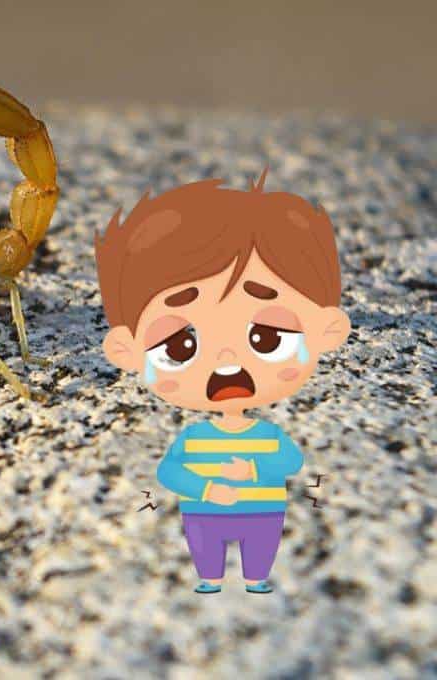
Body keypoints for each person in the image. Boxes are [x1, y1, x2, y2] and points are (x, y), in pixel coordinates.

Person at [93, 172, 350, 594]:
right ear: (126, 349)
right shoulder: (195, 438)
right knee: (206, 556)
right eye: (179, 346)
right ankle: (210, 581)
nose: (228, 364)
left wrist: (253, 469)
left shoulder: (266, 435)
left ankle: (256, 580)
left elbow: (292, 462)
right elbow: (168, 471)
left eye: (267, 338)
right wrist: (208, 487)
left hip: (263, 513)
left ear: (327, 330)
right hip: (205, 513)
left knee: (260, 555)